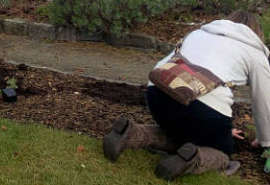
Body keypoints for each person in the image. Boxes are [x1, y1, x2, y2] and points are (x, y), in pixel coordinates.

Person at [102, 10, 270, 180]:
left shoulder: (198, 33)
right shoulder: (255, 52)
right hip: (202, 107)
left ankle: (131, 133)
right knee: (222, 153)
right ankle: (192, 160)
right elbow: (264, 103)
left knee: (178, 134)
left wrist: (221, 129)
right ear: (256, 33)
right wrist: (266, 141)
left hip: (157, 92)